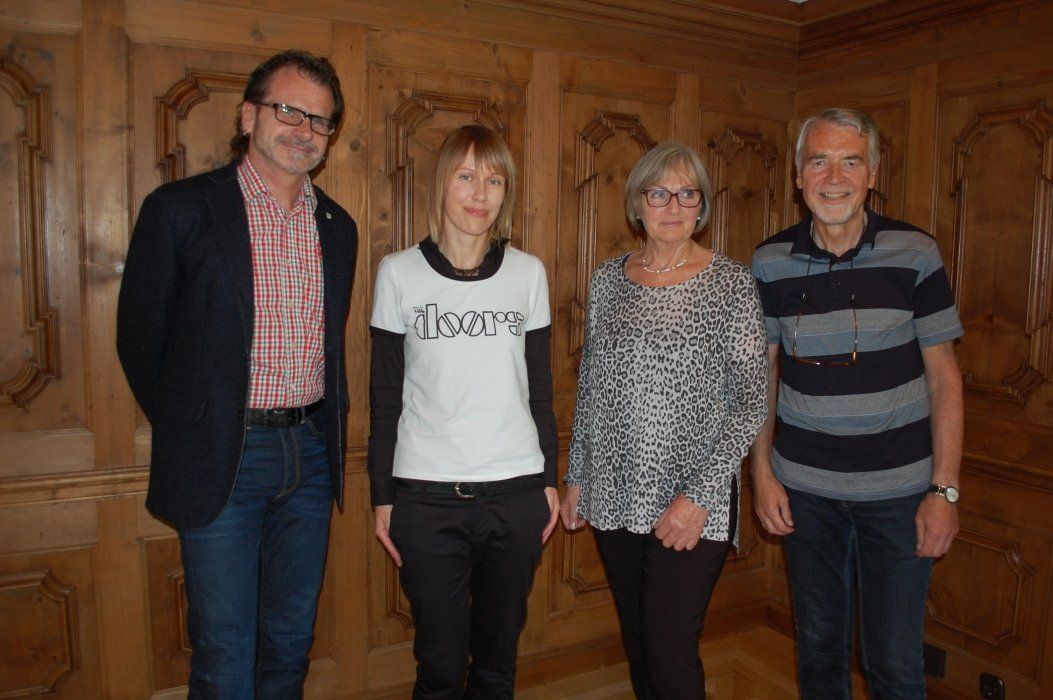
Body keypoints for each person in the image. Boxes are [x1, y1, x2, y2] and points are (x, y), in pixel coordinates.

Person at [116, 50, 357, 698]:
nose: (304, 130)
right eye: (289, 110)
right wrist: (197, 423)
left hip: (311, 454)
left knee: (291, 639)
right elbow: (139, 340)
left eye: (320, 120)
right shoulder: (180, 209)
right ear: (249, 115)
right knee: (225, 651)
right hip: (224, 455)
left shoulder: (338, 227)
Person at [750, 107, 964, 699]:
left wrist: (944, 492)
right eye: (819, 161)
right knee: (818, 650)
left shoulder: (915, 253)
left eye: (851, 161)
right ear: (799, 175)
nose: (834, 177)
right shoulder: (769, 261)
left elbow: (945, 379)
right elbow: (763, 376)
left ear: (873, 173)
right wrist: (761, 474)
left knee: (893, 662)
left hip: (898, 496)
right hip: (805, 493)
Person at [561, 142, 768, 699]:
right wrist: (577, 477)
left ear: (702, 206)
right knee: (638, 639)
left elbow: (751, 401)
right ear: (638, 204)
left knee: (669, 650)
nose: (673, 205)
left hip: (692, 496)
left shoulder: (730, 283)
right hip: (613, 489)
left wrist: (699, 496)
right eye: (659, 193)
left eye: (687, 193)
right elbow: (591, 387)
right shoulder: (608, 280)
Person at [367, 124, 559, 699]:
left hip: (515, 495)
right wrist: (383, 496)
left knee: (497, 663)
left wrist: (549, 481)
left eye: (494, 180)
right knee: (440, 668)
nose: (480, 193)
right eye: (467, 176)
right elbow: (385, 396)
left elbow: (540, 390)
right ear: (442, 185)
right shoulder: (398, 272)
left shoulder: (527, 273)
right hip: (427, 500)